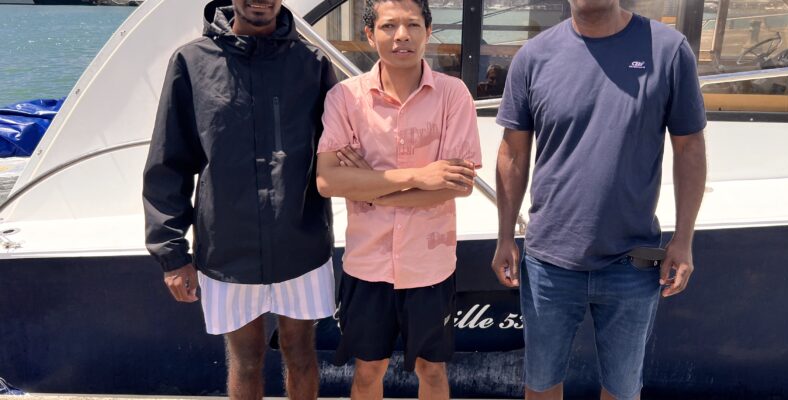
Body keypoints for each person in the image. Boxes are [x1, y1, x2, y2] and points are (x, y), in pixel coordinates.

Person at [490, 1, 708, 399]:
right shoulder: (533, 57)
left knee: (622, 392)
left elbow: (689, 148)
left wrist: (684, 239)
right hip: (548, 264)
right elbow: (513, 153)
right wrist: (505, 236)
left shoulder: (669, 51)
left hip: (632, 263)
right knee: (540, 386)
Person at [142, 0, 337, 398]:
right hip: (227, 247)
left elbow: (338, 149)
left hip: (301, 241)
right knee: (246, 358)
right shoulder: (192, 62)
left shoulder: (312, 62)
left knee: (301, 350)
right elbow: (169, 161)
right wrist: (172, 254)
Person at [314, 0, 482, 398]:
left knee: (432, 371)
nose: (401, 35)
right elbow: (327, 180)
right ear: (370, 35)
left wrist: (368, 187)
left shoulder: (453, 95)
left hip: (430, 265)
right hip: (367, 263)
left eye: (412, 25)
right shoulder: (345, 97)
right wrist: (419, 177)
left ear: (428, 31)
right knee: (367, 371)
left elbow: (458, 185)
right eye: (389, 26)